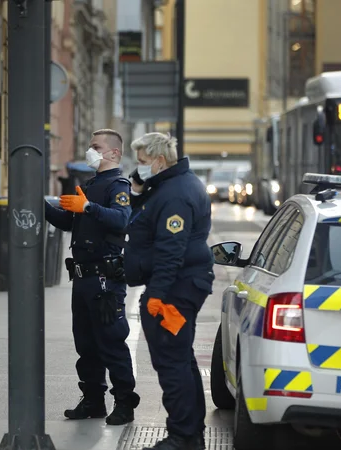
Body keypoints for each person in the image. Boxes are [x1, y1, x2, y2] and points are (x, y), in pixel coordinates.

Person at [123, 132, 214, 450]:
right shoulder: (170, 186)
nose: (139, 168)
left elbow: (170, 250)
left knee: (172, 363)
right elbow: (144, 224)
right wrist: (136, 193)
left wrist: (157, 296)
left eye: (143, 162)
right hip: (180, 285)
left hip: (175, 289)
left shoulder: (175, 193)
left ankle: (183, 438)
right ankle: (191, 433)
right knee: (181, 360)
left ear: (160, 161)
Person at [45, 129, 140, 425]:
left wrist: (87, 206)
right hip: (83, 278)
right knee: (85, 344)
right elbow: (70, 221)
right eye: (90, 146)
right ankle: (93, 400)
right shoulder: (91, 184)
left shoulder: (118, 185)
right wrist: (43, 207)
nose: (91, 151)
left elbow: (121, 219)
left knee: (111, 342)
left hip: (105, 279)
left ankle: (124, 402)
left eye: (96, 147)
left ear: (113, 153)